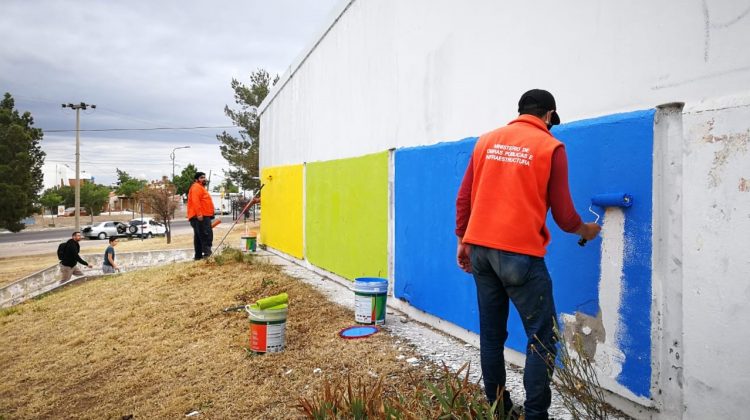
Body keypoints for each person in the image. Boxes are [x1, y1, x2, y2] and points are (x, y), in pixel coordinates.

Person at [455, 89, 601, 420]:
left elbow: (464, 197)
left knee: (491, 337)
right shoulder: (551, 147)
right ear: (548, 116)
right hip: (520, 257)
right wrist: (586, 231)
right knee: (543, 340)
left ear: (521, 111)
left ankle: (498, 408)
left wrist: (463, 239)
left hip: (480, 251)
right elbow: (565, 217)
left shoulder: (486, 141)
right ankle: (536, 415)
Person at [187, 171, 215, 260]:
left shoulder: (200, 187)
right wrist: (199, 214)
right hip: (200, 217)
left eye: (204, 177)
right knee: (206, 235)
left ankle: (198, 256)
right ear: (196, 180)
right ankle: (207, 255)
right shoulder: (196, 187)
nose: (204, 179)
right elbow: (196, 201)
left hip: (201, 216)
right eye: (201, 177)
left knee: (199, 237)